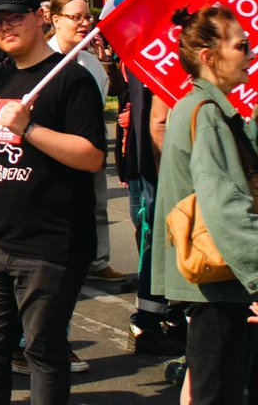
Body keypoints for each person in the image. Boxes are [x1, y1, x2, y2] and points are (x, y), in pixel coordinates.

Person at [0, 0, 106, 405]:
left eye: (14, 18)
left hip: (50, 245)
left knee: (43, 352)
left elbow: (92, 156)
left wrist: (30, 129)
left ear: (39, 17)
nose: (5, 27)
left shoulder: (71, 78)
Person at [152, 5, 258, 405]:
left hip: (216, 280)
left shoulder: (203, 108)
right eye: (242, 45)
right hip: (218, 282)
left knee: (209, 388)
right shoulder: (206, 114)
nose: (249, 54)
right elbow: (226, 206)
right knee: (217, 392)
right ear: (209, 57)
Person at [48, 0, 126, 288]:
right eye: (75, 17)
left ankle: (97, 260)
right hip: (55, 146)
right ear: (55, 20)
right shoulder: (45, 58)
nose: (84, 23)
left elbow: (102, 98)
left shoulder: (92, 63)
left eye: (87, 17)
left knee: (96, 204)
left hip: (88, 147)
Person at [121, 65, 185, 356]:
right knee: (162, 242)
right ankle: (150, 321)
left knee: (164, 242)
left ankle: (166, 316)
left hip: (154, 163)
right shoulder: (165, 56)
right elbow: (159, 120)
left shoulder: (154, 54)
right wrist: (169, 175)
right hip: (162, 167)